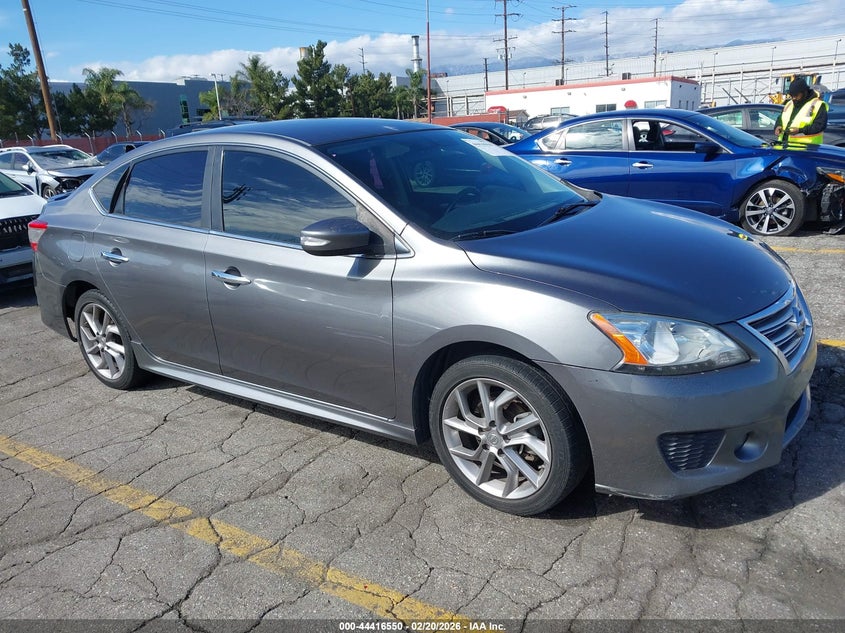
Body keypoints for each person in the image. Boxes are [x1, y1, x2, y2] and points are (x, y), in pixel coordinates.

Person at [774, 77, 828, 145]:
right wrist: (778, 126)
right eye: (792, 96)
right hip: (784, 147)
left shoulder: (817, 105)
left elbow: (820, 126)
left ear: (804, 92)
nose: (794, 98)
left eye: (796, 95)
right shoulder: (789, 104)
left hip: (807, 150)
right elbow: (780, 118)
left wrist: (800, 130)